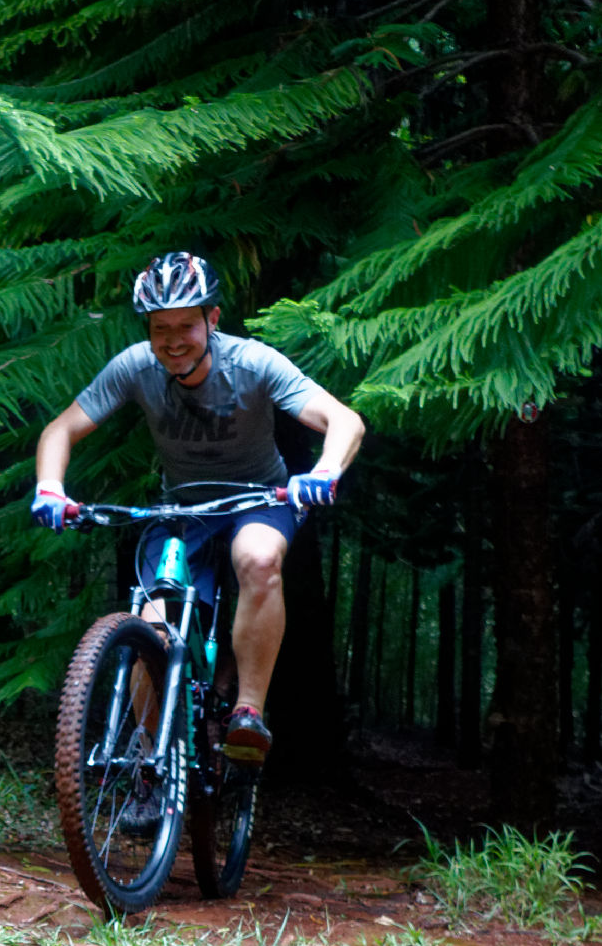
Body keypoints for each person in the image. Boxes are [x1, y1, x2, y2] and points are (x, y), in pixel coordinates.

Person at [31, 251, 365, 766]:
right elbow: (61, 428)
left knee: (258, 559)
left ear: (212, 318)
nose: (172, 340)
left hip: (260, 497)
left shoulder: (252, 363)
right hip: (184, 507)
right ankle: (152, 767)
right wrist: (51, 487)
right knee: (150, 629)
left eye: (186, 325)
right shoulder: (136, 367)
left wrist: (324, 473)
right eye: (159, 328)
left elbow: (344, 421)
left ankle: (247, 712)